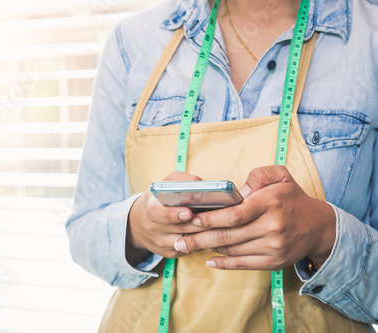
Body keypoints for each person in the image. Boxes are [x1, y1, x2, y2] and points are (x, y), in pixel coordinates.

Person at [66, 0, 378, 331]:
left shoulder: (369, 37)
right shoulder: (133, 42)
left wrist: (323, 235)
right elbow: (83, 231)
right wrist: (138, 227)